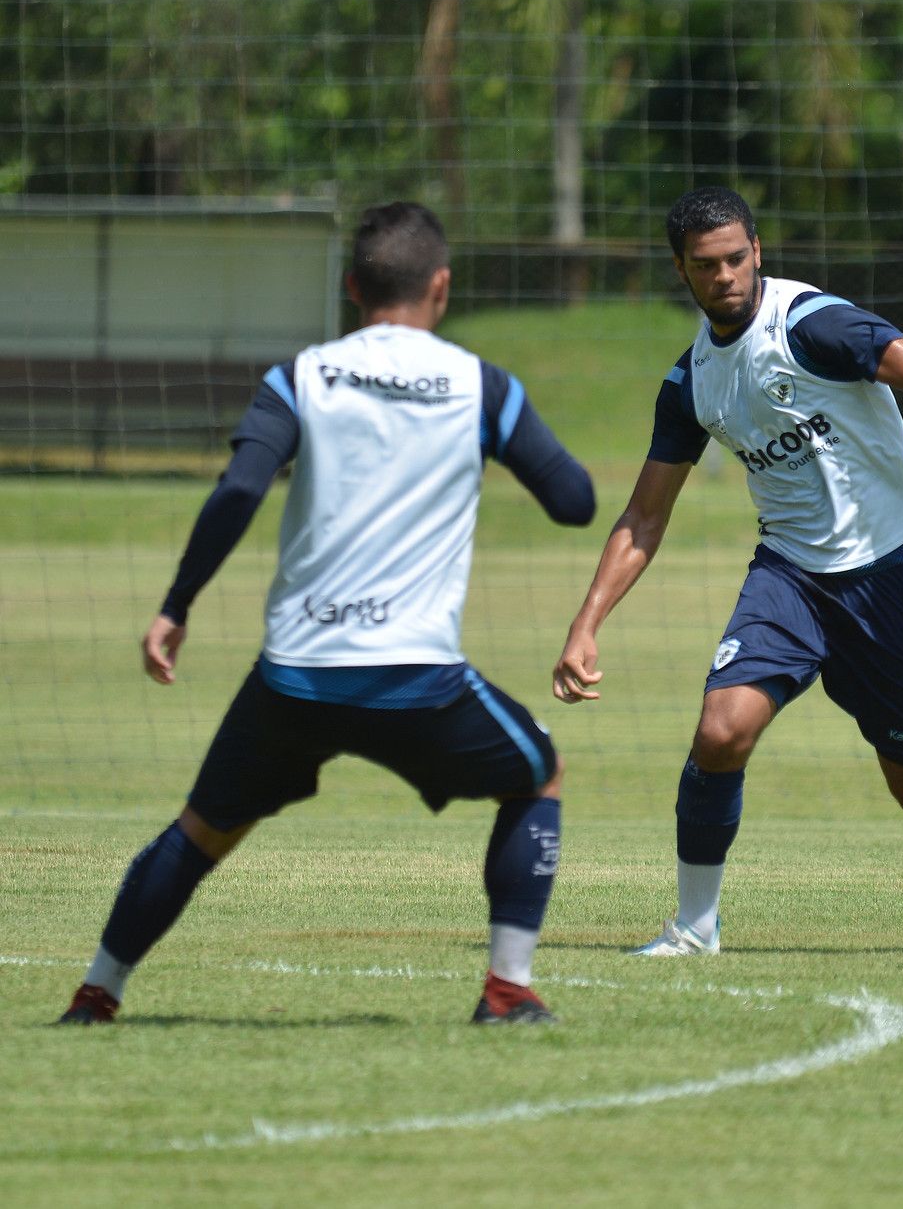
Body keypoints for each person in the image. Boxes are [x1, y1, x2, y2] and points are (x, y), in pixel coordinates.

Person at [57, 202, 596, 1027]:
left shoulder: (300, 377)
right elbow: (573, 502)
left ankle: (98, 991)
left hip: (296, 675)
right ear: (441, 287)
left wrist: (176, 606)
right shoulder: (480, 385)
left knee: (202, 830)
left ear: (351, 288)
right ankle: (507, 989)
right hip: (417, 675)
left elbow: (239, 488)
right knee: (538, 773)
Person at [550, 187, 903, 956]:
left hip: (893, 568)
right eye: (706, 265)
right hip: (790, 575)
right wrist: (585, 623)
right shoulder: (691, 382)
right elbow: (644, 514)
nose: (725, 275)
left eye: (737, 257)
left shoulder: (812, 324)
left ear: (757, 251)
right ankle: (695, 927)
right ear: (682, 271)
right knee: (719, 731)